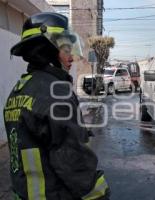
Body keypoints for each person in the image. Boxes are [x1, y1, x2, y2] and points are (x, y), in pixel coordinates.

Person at [3, 12, 110, 200]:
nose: (72, 57)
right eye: (66, 49)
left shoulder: (18, 91)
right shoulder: (57, 93)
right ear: (46, 50)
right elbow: (74, 162)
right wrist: (99, 194)